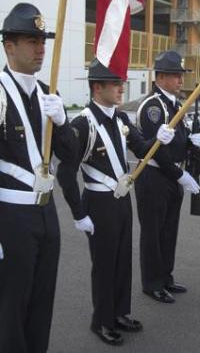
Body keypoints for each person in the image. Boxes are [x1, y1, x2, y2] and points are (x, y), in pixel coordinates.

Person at [57, 58, 175, 346]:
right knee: (105, 264)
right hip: (98, 202)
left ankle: (120, 313)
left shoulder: (121, 119)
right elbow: (65, 172)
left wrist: (159, 139)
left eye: (121, 82)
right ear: (97, 87)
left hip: (122, 200)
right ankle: (102, 321)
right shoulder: (82, 124)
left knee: (123, 260)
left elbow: (141, 148)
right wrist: (78, 212)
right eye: (115, 83)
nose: (121, 87)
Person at [0, 3, 76, 353]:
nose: (41, 48)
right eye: (32, 41)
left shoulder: (50, 92)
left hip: (46, 213)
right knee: (10, 306)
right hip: (10, 216)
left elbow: (72, 156)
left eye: (43, 40)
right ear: (9, 46)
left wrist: (61, 123)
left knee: (42, 301)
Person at [135, 50, 200, 303]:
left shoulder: (175, 104)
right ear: (161, 77)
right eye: (175, 76)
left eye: (181, 75)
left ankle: (166, 277)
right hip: (154, 176)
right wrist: (180, 175)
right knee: (153, 233)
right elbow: (158, 150)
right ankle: (152, 283)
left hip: (172, 176)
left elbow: (176, 142)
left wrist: (192, 144)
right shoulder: (153, 106)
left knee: (169, 231)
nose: (180, 80)